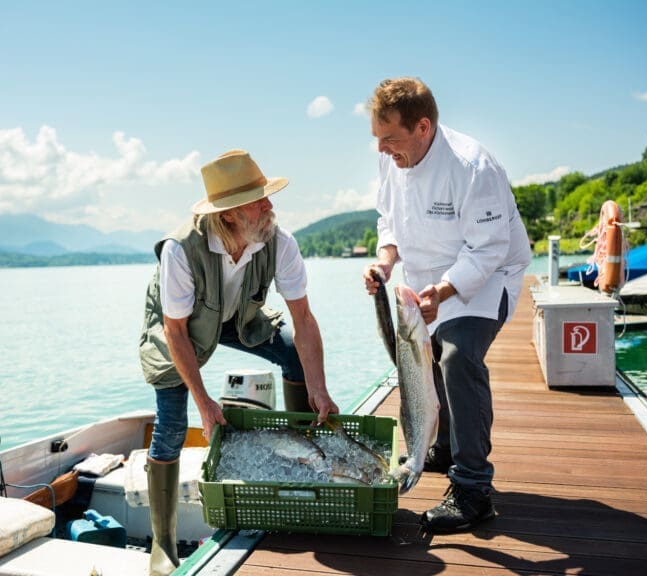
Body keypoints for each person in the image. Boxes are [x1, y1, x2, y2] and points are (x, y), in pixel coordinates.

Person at [139, 148, 339, 575]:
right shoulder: (180, 250)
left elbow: (303, 318)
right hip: (182, 331)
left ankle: (304, 472)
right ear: (228, 214)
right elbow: (176, 333)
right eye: (258, 199)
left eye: (267, 195)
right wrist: (205, 401)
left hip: (238, 318)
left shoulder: (278, 241)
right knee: (172, 425)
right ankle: (162, 542)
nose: (270, 205)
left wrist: (318, 386)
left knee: (293, 354)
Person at [363, 77, 532, 533]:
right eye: (377, 139)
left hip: (486, 277)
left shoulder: (474, 166)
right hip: (424, 282)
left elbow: (488, 248)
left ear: (423, 126)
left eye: (390, 139)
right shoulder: (393, 160)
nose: (382, 150)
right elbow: (388, 220)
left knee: (457, 358)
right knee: (428, 357)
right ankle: (446, 448)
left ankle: (474, 490)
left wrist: (444, 291)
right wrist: (384, 264)